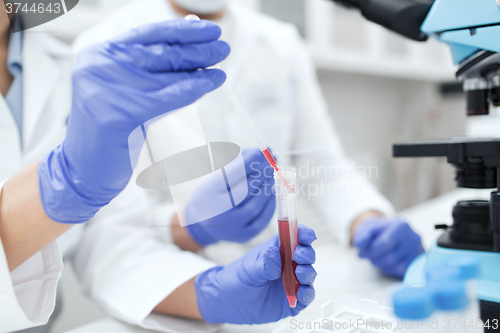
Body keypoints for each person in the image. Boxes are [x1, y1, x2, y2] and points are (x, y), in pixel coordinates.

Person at [0, 9, 317, 333]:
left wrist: (209, 291)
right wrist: (63, 183)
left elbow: (110, 238)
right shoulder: (98, 60)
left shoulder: (63, 66)